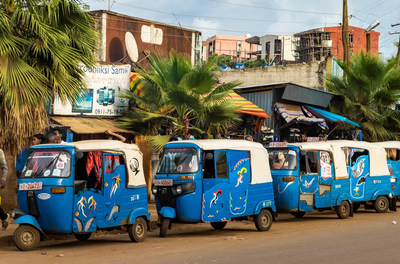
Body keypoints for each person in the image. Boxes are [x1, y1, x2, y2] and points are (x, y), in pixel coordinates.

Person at [0, 148, 9, 230]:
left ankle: (4, 217)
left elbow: (4, 168)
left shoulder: (0, 152)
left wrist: (2, 181)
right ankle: (4, 217)